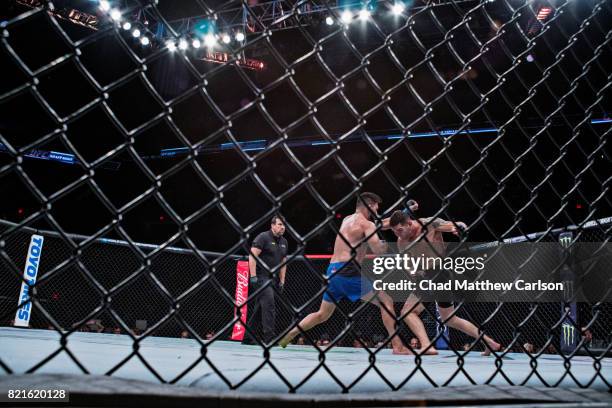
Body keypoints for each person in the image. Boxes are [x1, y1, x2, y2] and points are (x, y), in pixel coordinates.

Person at [279, 192, 411, 354]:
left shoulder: (347, 220)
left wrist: (405, 212)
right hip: (349, 272)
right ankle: (397, 346)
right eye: (376, 205)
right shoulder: (366, 225)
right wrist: (396, 244)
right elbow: (378, 250)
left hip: (332, 271)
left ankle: (289, 334)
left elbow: (381, 224)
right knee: (386, 301)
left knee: (322, 314)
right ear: (370, 205)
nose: (378, 208)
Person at [388, 210, 501, 355]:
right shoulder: (401, 241)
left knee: (407, 312)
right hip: (428, 277)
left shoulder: (428, 225)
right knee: (449, 319)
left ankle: (427, 346)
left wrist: (458, 226)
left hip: (439, 274)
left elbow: (450, 225)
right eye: (395, 232)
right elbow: (407, 261)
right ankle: (489, 342)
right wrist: (412, 270)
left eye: (400, 230)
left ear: (409, 223)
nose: (398, 235)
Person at [242, 215, 288, 345]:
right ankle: (269, 338)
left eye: (284, 225)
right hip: (261, 277)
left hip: (273, 279)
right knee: (269, 304)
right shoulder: (263, 237)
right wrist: (253, 276)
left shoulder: (284, 242)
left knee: (259, 308)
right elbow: (252, 255)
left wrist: (282, 280)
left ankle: (247, 337)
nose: (282, 227)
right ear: (272, 225)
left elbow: (283, 263)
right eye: (279, 224)